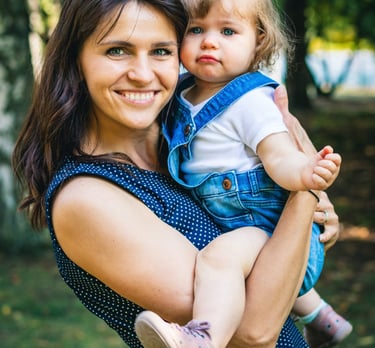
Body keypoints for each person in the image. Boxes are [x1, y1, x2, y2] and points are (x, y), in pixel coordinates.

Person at [12, 0, 340, 347]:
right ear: (75, 60)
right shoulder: (87, 196)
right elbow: (252, 333)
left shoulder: (189, 143)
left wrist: (312, 209)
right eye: (118, 50)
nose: (142, 73)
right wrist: (305, 194)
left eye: (161, 51)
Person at [134, 0, 352, 347]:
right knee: (231, 255)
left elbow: (279, 155)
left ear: (259, 41)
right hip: (241, 223)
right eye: (196, 30)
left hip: (273, 231)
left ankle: (202, 338)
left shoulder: (251, 103)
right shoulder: (182, 92)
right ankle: (322, 319)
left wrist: (306, 174)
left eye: (228, 31)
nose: (209, 41)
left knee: (219, 260)